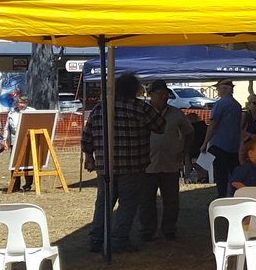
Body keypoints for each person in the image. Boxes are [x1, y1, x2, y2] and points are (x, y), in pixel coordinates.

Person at [81, 72, 167, 252]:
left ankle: (96, 239)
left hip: (106, 166)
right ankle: (119, 239)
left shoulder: (100, 108)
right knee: (128, 204)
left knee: (103, 203)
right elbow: (161, 127)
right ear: (135, 90)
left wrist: (89, 155)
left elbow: (87, 136)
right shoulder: (141, 108)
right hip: (133, 165)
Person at [140, 80, 197, 242]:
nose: (164, 97)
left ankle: (169, 229)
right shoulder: (143, 112)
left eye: (166, 95)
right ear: (151, 95)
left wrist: (184, 151)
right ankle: (147, 231)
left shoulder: (176, 113)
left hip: (170, 163)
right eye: (160, 94)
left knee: (171, 200)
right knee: (146, 201)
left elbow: (189, 132)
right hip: (147, 164)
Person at [207, 79, 244, 199]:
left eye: (218, 88)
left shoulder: (220, 104)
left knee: (220, 175)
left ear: (224, 89)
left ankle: (221, 197)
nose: (217, 90)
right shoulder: (237, 105)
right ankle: (235, 196)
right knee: (233, 173)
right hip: (233, 146)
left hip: (219, 145)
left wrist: (205, 143)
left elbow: (213, 125)